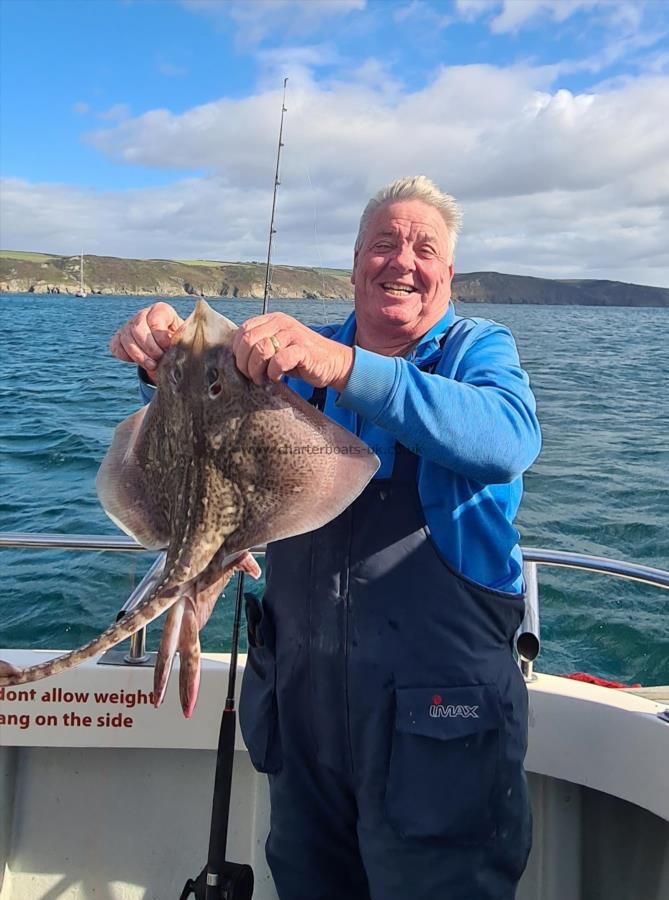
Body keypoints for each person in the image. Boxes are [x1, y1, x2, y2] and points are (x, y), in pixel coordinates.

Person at [111, 176, 541, 900]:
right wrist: (160, 360)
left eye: (423, 248)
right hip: (304, 713)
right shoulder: (290, 362)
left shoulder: (474, 352)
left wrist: (344, 367)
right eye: (383, 243)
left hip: (438, 726)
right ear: (353, 265)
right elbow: (206, 437)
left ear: (447, 274)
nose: (401, 260)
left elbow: (505, 439)